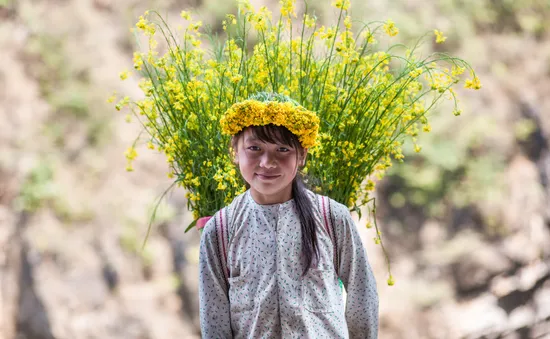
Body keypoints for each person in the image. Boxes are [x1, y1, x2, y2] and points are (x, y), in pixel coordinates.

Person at [198, 93, 379, 338]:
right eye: (254, 148)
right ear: (235, 153)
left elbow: (362, 296)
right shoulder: (220, 230)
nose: (267, 162)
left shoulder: (332, 217)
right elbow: (214, 320)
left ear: (302, 155)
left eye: (283, 149)